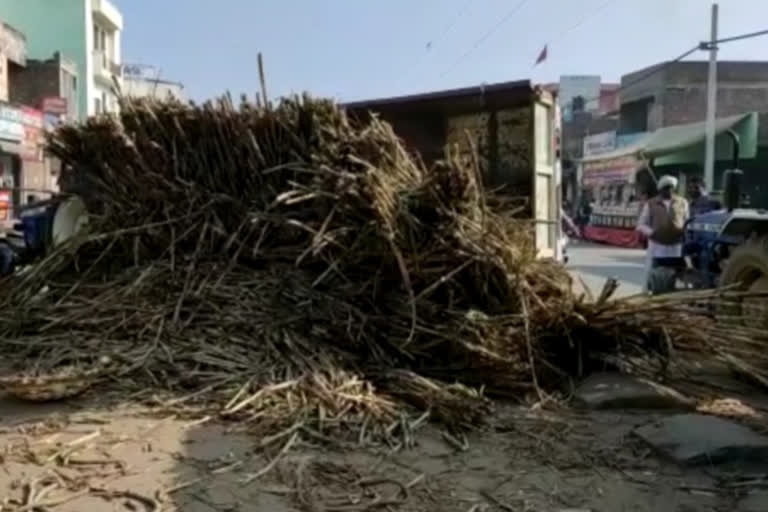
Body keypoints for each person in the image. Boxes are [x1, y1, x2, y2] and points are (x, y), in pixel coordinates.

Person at [636, 175, 690, 293]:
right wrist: (652, 233)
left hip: (676, 244)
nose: (669, 190)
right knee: (652, 268)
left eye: (671, 188)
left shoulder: (682, 202)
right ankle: (645, 291)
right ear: (660, 190)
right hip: (657, 244)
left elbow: (687, 220)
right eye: (666, 188)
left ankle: (674, 291)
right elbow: (641, 224)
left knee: (677, 269)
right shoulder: (651, 203)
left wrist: (684, 233)